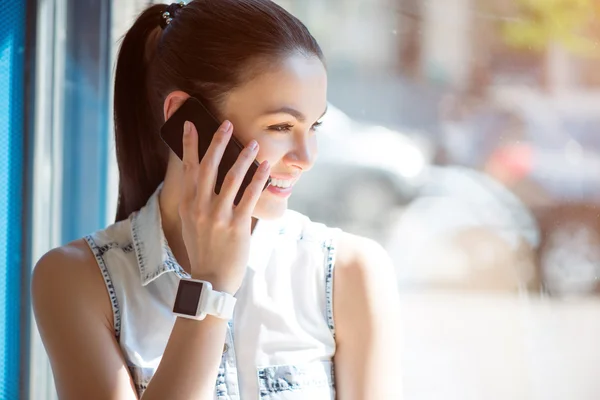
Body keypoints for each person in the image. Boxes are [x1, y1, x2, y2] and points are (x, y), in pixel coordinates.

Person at [31, 1, 402, 399]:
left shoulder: (351, 274)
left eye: (314, 126)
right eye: (281, 126)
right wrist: (210, 290)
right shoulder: (75, 281)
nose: (306, 159)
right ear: (187, 121)